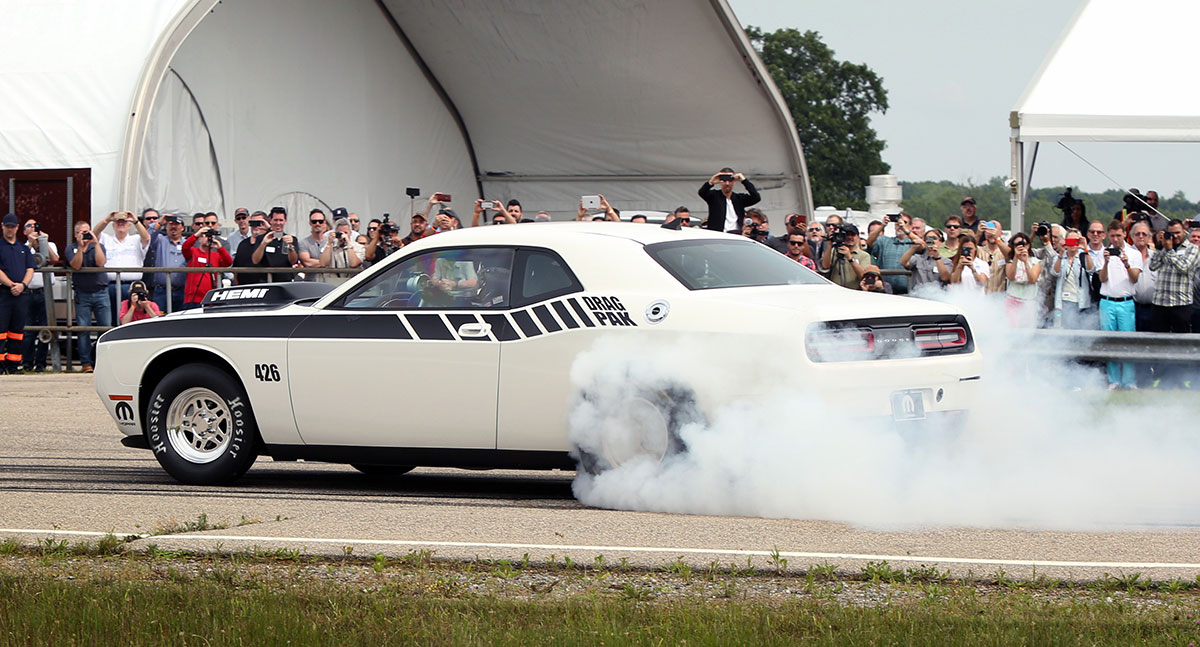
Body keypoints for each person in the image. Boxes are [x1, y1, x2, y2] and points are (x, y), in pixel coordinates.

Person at [1096, 219, 1143, 389]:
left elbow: (1135, 278)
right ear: (1108, 235)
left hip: (1126, 302)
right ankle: (1113, 380)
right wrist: (1107, 261)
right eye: (1112, 236)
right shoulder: (1104, 252)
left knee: (1128, 342)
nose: (1115, 239)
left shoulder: (1134, 253)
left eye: (1118, 235)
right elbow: (1102, 278)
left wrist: (1126, 263)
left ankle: (1129, 381)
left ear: (1124, 234)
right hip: (1107, 301)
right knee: (1109, 342)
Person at [64, 220, 109, 373]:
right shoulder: (71, 248)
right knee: (83, 330)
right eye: (82, 232)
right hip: (82, 294)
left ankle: (102, 362)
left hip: (101, 292)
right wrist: (81, 248)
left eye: (87, 231)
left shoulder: (99, 246)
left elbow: (101, 263)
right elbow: (76, 265)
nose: (85, 235)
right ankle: (86, 363)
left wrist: (95, 243)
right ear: (76, 234)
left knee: (105, 328)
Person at [93, 209, 150, 323]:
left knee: (130, 319)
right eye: (118, 222)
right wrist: (107, 219)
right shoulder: (106, 239)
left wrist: (135, 221)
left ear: (129, 225)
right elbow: (94, 233)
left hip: (130, 287)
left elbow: (146, 238)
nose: (121, 224)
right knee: (109, 319)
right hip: (109, 286)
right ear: (113, 225)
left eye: (124, 222)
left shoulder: (136, 239)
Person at [21, 218, 59, 372]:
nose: (33, 228)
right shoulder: (22, 247)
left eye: (35, 225)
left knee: (46, 329)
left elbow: (54, 260)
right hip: (28, 293)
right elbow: (20, 262)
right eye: (29, 226)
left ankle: (41, 363)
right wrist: (30, 244)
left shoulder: (49, 244)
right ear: (24, 231)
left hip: (45, 293)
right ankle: (27, 363)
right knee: (28, 330)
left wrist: (44, 242)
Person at [0, 213, 36, 374]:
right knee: (1, 330)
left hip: (21, 294)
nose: (10, 230)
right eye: (7, 226)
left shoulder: (24, 249)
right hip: (3, 293)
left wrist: (22, 285)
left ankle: (13, 365)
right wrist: (11, 284)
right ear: (3, 226)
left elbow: (30, 269)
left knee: (17, 331)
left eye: (12, 227)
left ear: (17, 227)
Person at [1149, 219, 1199, 333]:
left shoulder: (1192, 249)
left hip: (1180, 303)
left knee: (1182, 341)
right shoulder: (1164, 246)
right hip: (1160, 302)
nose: (1175, 236)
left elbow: (1184, 267)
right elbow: (1152, 266)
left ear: (1184, 232)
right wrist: (1159, 247)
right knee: (1158, 340)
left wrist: (1169, 250)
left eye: (1178, 232)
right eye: (1172, 233)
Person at [144, 213, 188, 313]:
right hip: (162, 290)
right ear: (166, 227)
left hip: (182, 290)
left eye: (177, 224)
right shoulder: (160, 240)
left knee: (180, 322)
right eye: (170, 224)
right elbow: (147, 237)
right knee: (159, 320)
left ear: (182, 228)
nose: (173, 227)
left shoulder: (187, 244)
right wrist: (160, 222)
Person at [182, 223, 233, 308]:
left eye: (211, 236)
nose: (208, 239)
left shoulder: (216, 255)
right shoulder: (193, 251)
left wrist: (220, 248)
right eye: (205, 236)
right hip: (193, 299)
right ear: (200, 239)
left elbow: (228, 262)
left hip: (210, 299)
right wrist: (197, 234)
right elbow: (185, 247)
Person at [1051, 230, 1094, 329]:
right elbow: (1055, 272)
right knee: (1066, 330)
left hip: (1081, 300)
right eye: (1070, 241)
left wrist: (1085, 249)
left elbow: (1091, 269)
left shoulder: (1083, 256)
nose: (1072, 244)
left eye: (1075, 241)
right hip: (1064, 300)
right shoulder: (1060, 257)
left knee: (1080, 330)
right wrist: (1061, 253)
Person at [866, 212, 918, 294]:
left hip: (908, 291)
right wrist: (882, 226)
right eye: (897, 223)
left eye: (904, 222)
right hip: (885, 290)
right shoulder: (884, 241)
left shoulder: (914, 243)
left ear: (911, 226)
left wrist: (905, 229)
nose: (900, 225)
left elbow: (922, 244)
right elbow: (869, 242)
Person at [699, 168, 760, 233]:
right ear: (720, 181)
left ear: (734, 181)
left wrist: (744, 181)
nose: (727, 183)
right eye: (724, 181)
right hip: (718, 234)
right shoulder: (714, 196)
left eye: (730, 181)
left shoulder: (739, 198)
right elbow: (702, 192)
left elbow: (756, 197)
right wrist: (711, 182)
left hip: (736, 234)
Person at [1003, 232, 1041, 327]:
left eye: (1022, 244)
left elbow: (1033, 280)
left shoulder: (1035, 262)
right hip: (1012, 301)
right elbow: (1011, 277)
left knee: (1027, 330)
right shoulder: (1010, 262)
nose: (1020, 247)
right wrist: (1016, 257)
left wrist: (1026, 261)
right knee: (1013, 327)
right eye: (1016, 244)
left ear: (1028, 245)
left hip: (1029, 302)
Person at [251, 206, 299, 282]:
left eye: (281, 220)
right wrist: (263, 244)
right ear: (270, 220)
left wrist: (290, 246)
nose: (278, 223)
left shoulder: (292, 239)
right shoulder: (261, 238)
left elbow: (293, 261)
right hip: (266, 281)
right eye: (275, 220)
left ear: (285, 221)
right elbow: (255, 260)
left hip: (285, 281)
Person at [820, 223, 870, 289]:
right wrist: (830, 244)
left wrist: (850, 257)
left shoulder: (864, 255)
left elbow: (863, 276)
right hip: (836, 291)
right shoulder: (834, 251)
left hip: (855, 292)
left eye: (852, 235)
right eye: (846, 235)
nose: (849, 237)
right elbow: (825, 266)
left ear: (858, 237)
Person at [900, 228, 948, 295]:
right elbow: (903, 262)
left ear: (941, 243)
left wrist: (937, 257)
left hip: (937, 297)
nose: (931, 240)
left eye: (934, 238)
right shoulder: (918, 258)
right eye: (928, 238)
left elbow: (945, 277)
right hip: (918, 296)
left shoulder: (946, 261)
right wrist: (913, 247)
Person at [319, 217, 364, 285]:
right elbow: (323, 263)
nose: (342, 235)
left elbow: (354, 263)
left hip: (352, 283)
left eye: (345, 232)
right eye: (340, 233)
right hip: (332, 283)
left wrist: (348, 244)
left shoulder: (358, 247)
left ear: (351, 233)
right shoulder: (330, 246)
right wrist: (329, 243)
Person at [233, 215, 271, 285]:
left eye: (260, 223)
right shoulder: (243, 244)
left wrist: (269, 228)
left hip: (265, 285)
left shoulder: (272, 242)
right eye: (253, 223)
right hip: (245, 286)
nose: (256, 226)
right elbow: (236, 269)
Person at [976, 220, 1010, 294]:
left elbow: (1010, 255)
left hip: (998, 297)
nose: (991, 233)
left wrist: (997, 238)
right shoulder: (980, 250)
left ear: (1001, 233)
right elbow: (969, 248)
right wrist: (978, 234)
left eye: (994, 229)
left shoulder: (1003, 251)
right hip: (981, 296)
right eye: (988, 230)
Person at [297, 209, 329, 281]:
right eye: (314, 221)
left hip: (329, 282)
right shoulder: (303, 243)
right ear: (310, 223)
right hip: (311, 282)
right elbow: (307, 263)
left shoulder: (331, 241)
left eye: (320, 221)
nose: (317, 224)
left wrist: (315, 262)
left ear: (324, 223)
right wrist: (326, 262)